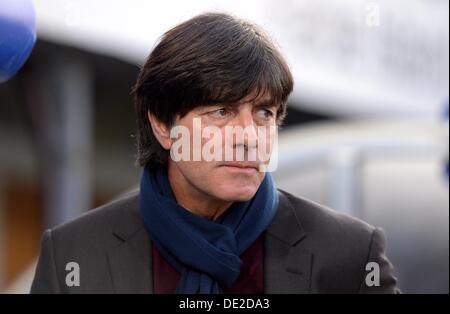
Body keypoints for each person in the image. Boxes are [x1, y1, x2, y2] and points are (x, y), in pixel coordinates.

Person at [31, 12, 399, 294]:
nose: (247, 137)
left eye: (263, 114)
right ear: (162, 125)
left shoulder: (350, 254)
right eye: (220, 112)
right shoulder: (72, 255)